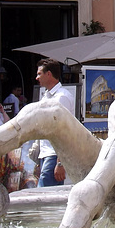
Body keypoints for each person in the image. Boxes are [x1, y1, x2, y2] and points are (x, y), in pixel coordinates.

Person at [35, 58, 74, 187]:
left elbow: (65, 131)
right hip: (46, 154)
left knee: (45, 199)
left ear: (49, 74)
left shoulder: (61, 97)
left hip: (53, 155)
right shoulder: (47, 95)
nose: (37, 77)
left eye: (39, 73)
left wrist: (60, 162)